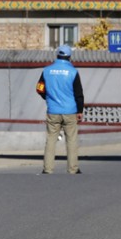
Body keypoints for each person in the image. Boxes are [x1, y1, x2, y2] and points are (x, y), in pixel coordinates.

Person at [36, 44, 85, 175]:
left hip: (53, 111)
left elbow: (39, 88)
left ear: (57, 55)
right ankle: (73, 169)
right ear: (69, 57)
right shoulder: (73, 72)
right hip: (70, 111)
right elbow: (78, 94)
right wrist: (80, 111)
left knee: (51, 140)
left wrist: (47, 97)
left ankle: (47, 169)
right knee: (71, 141)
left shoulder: (46, 71)